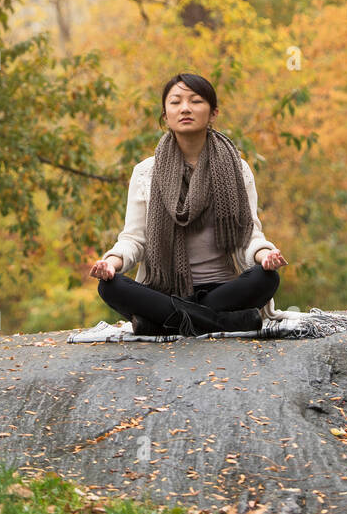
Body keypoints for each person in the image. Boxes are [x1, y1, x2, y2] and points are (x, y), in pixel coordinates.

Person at [89, 72, 288, 336]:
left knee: (266, 279)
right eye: (176, 102)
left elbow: (248, 236)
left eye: (195, 101)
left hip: (222, 290)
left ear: (213, 113)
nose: (185, 108)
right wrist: (111, 263)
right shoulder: (146, 172)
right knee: (109, 287)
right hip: (164, 289)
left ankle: (159, 324)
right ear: (165, 114)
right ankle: (227, 322)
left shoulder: (236, 170)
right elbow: (134, 240)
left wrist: (265, 256)